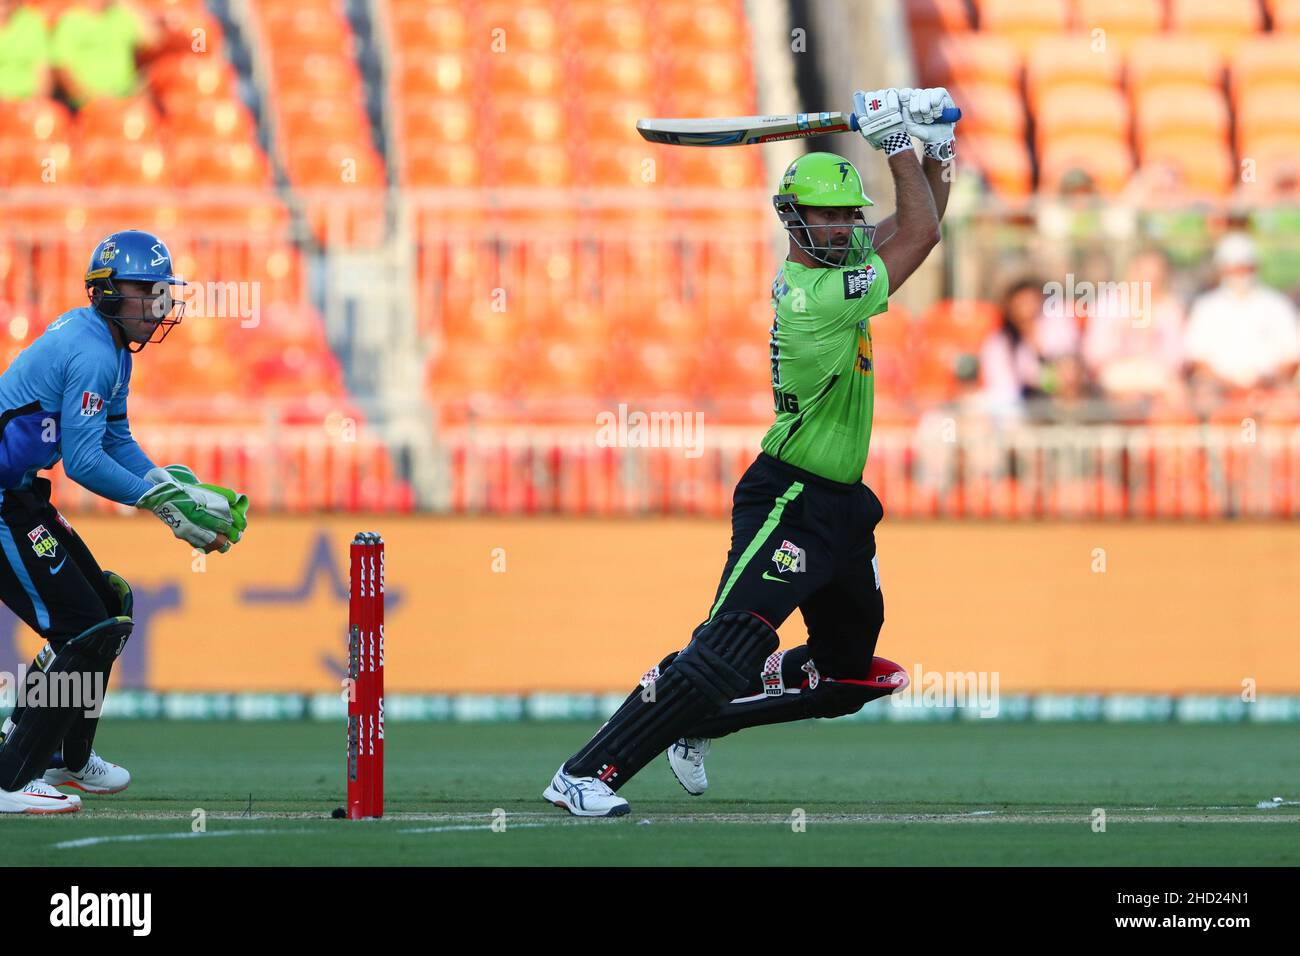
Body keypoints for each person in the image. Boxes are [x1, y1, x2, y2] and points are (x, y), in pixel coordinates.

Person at [542, 88, 953, 816]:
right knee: (730, 643)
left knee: (846, 676)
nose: (846, 228)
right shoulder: (815, 299)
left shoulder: (844, 277)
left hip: (843, 510)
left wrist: (936, 149)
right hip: (789, 498)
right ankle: (585, 773)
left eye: (850, 216)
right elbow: (918, 237)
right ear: (795, 220)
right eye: (830, 216)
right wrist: (895, 143)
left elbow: (916, 225)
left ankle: (695, 715)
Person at [0, 229, 249, 814]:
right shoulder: (92, 350)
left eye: (165, 292)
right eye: (148, 291)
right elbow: (85, 462)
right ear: (108, 293)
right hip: (2, 502)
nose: (160, 304)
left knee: (109, 606)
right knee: (81, 626)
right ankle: (9, 777)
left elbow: (114, 438)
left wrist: (166, 484)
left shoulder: (110, 346)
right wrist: (159, 505)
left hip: (20, 496)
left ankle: (64, 756)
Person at [1185, 233, 1300, 396]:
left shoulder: (1277, 304)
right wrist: (1229, 384)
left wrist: (1263, 382)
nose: (1239, 274)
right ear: (1222, 269)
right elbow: (1196, 358)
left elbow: (1291, 356)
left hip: (1269, 391)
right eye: (1233, 268)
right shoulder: (1206, 307)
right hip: (1218, 392)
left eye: (1244, 267)